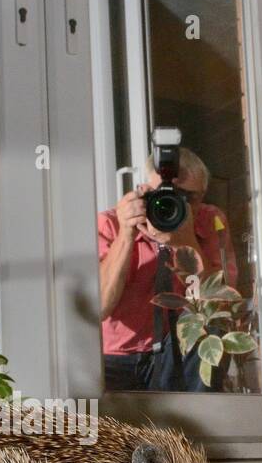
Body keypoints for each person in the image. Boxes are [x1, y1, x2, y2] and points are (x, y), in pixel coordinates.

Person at [97, 146, 238, 392]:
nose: (172, 202)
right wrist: (126, 235)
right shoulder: (110, 223)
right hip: (115, 356)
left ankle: (198, 424)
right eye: (161, 193)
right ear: (143, 191)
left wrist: (186, 243)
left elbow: (218, 305)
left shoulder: (210, 220)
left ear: (203, 195)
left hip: (174, 353)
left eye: (187, 197)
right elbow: (99, 308)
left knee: (208, 323)